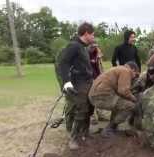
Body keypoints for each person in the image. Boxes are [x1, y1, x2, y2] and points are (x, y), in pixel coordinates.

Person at [57, 22, 95, 150]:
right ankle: (74, 138)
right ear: (86, 33)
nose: (94, 38)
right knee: (81, 110)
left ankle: (86, 134)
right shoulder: (74, 46)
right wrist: (66, 82)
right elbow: (63, 63)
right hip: (78, 84)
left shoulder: (83, 47)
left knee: (89, 109)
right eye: (93, 35)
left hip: (87, 82)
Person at [88, 62, 140, 138]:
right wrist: (134, 99)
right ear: (133, 69)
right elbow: (123, 91)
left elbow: (120, 92)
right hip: (102, 96)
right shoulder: (126, 71)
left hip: (95, 95)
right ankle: (109, 129)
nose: (134, 77)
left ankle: (113, 128)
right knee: (130, 106)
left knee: (119, 103)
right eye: (136, 75)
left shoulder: (117, 69)